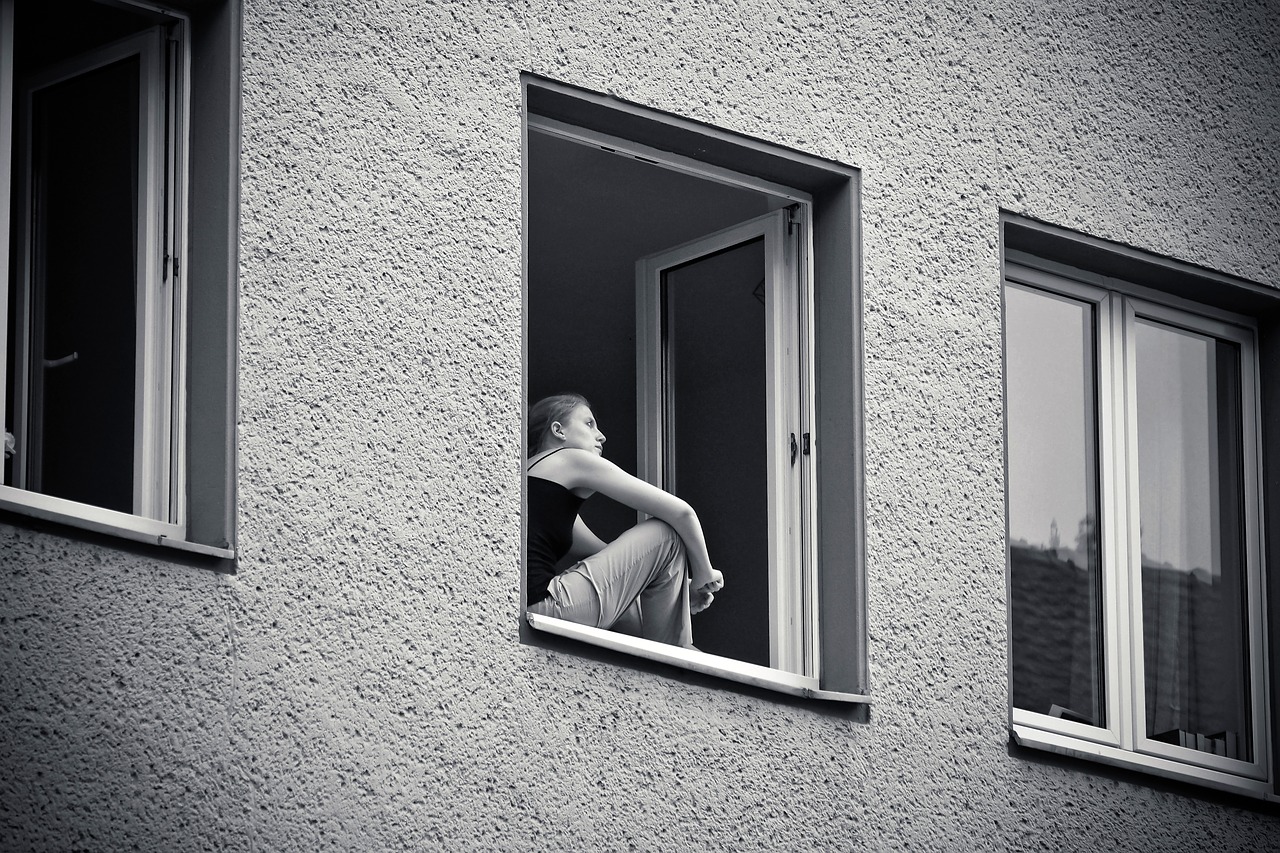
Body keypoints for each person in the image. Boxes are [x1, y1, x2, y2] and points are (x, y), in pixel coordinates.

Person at [525, 393, 724, 649]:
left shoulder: (535, 484)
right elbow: (681, 513)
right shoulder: (569, 458)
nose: (601, 435)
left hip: (537, 609)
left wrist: (680, 589)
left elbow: (612, 560)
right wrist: (704, 573)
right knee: (665, 534)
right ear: (558, 431)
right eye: (589, 423)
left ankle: (680, 660)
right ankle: (679, 663)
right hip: (549, 605)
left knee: (631, 608)